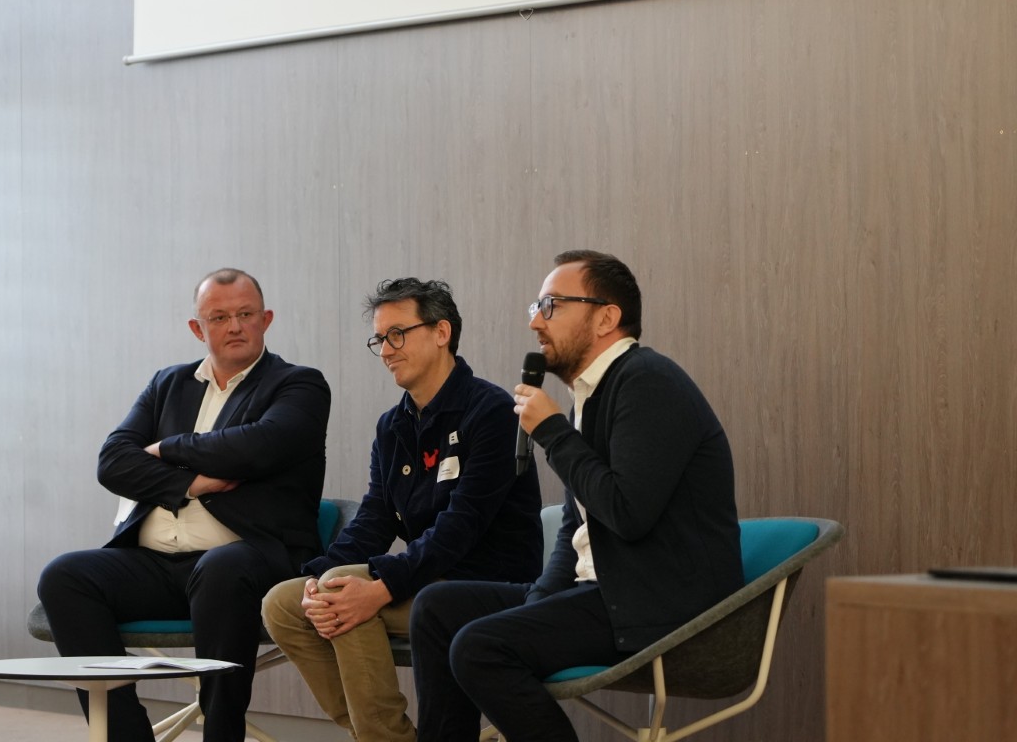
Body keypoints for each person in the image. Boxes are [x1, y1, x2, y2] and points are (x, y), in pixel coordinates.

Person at [410, 251, 743, 742]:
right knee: (437, 608)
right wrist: (538, 603)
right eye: (536, 307)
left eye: (551, 306)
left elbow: (626, 513)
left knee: (479, 647)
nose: (535, 322)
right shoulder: (590, 396)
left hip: (657, 604)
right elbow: (578, 526)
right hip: (603, 592)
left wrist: (551, 432)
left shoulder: (647, 381)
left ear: (606, 318)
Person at [37, 268, 331, 742]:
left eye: (246, 314)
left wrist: (166, 448)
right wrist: (192, 483)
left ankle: (221, 734)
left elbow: (259, 446)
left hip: (250, 561)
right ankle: (125, 736)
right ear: (198, 328)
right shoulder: (168, 383)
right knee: (65, 576)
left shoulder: (299, 385)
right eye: (219, 317)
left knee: (222, 568)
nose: (235, 326)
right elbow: (113, 462)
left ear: (266, 319)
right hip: (155, 565)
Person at [262, 277, 542, 742]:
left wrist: (381, 585)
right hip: (423, 579)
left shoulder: (491, 411)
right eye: (380, 339)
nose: (386, 350)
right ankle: (386, 736)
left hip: (484, 583)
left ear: (441, 332)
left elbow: (462, 525)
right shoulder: (392, 426)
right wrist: (315, 577)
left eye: (398, 334)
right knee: (284, 604)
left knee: (347, 596)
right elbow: (374, 517)